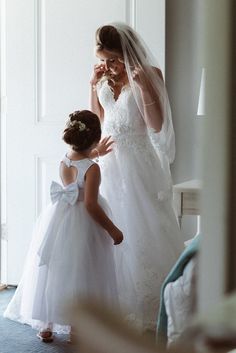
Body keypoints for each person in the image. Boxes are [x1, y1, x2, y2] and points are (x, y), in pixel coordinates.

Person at [89, 22, 184, 332]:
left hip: (139, 167)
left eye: (113, 59)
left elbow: (156, 125)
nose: (108, 66)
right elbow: (101, 121)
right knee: (105, 230)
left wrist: (142, 88)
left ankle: (149, 306)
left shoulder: (150, 75)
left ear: (126, 54)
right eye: (103, 59)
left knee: (142, 229)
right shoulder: (102, 77)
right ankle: (108, 304)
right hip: (107, 165)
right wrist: (93, 86)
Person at [4, 110, 123, 342]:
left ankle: (46, 324)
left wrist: (94, 153)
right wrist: (112, 229)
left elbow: (78, 169)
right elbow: (90, 205)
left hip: (60, 218)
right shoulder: (93, 168)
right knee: (81, 272)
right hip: (84, 225)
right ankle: (76, 326)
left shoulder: (65, 158)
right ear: (96, 138)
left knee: (56, 270)